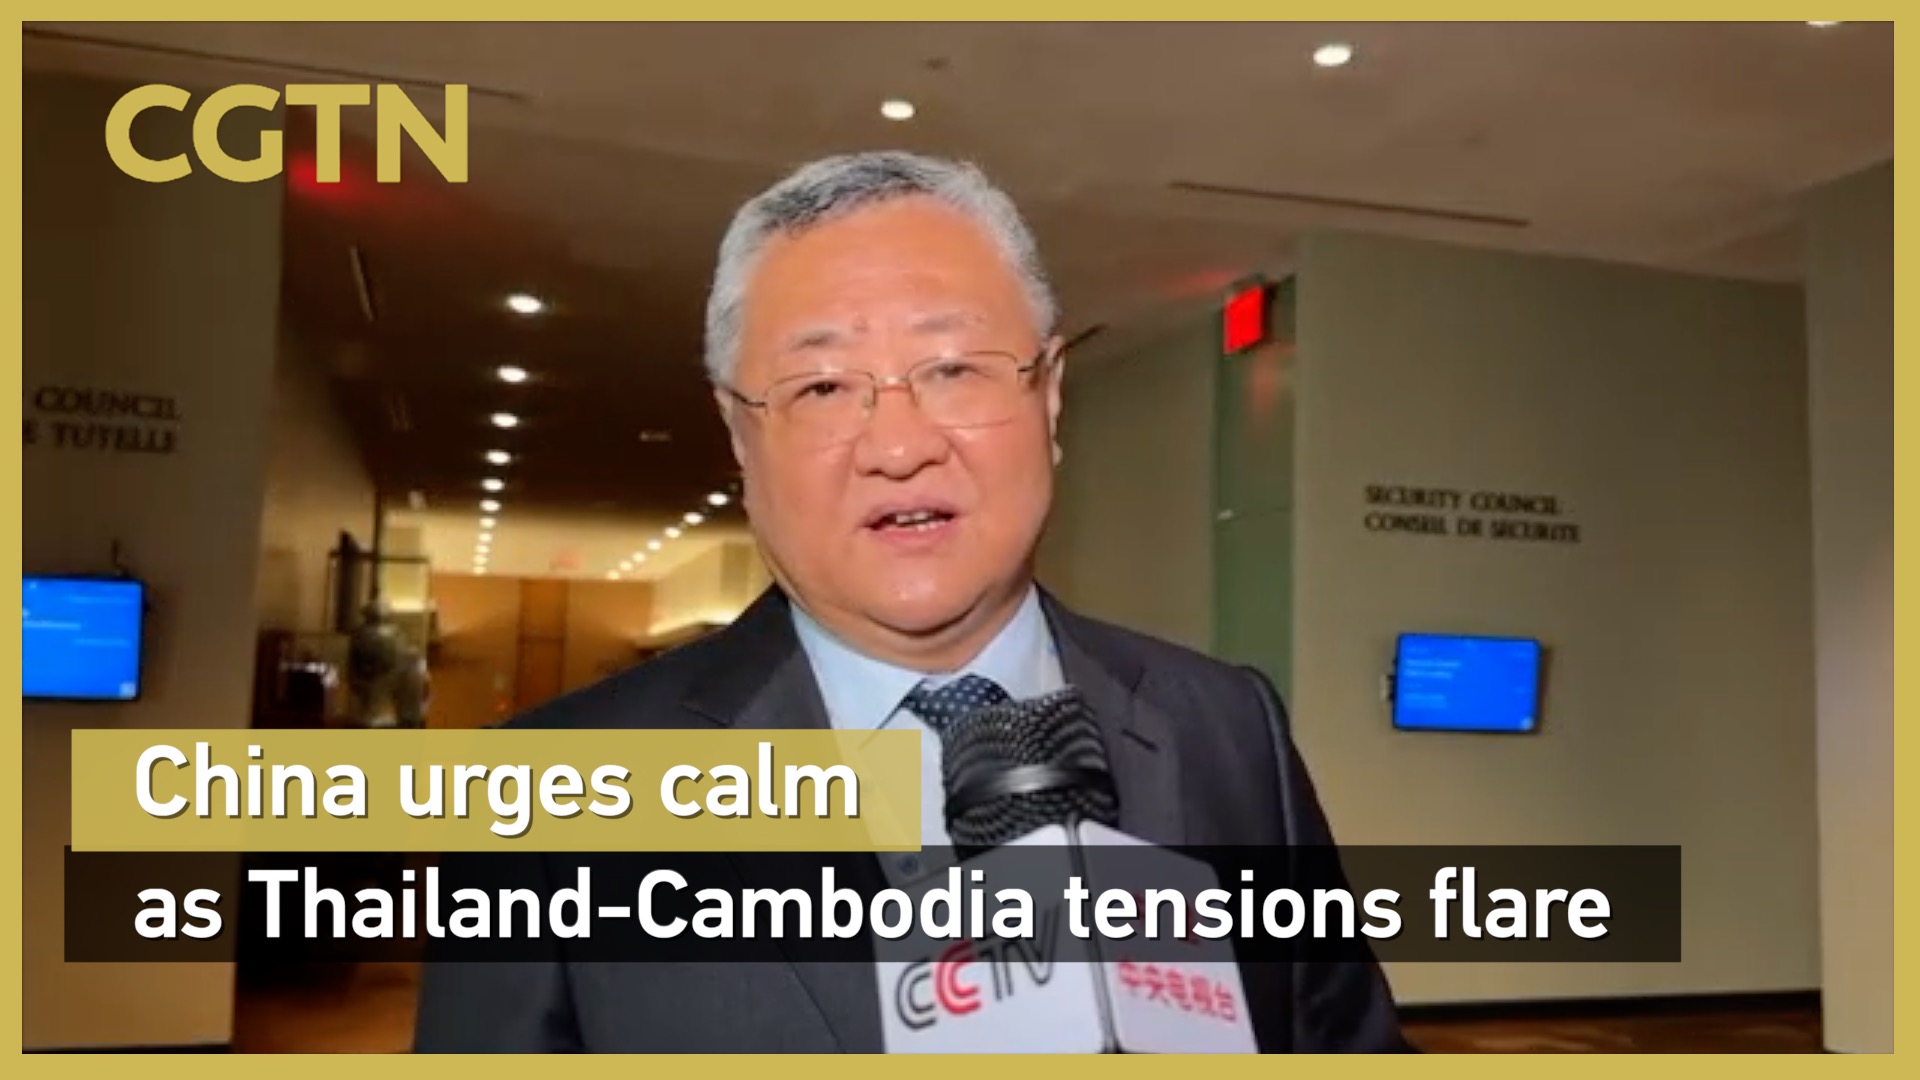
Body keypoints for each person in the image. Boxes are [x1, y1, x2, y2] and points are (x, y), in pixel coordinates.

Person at [413, 151, 1409, 1053]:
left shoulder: (1227, 728)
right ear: (739, 434)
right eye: (822, 388)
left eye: (952, 369)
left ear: (1050, 393)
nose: (898, 447)